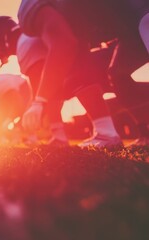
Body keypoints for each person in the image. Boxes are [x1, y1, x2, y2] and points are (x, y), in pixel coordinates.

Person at [16, 0, 149, 146]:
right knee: (116, 74)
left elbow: (63, 41)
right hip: (129, 27)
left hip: (140, 13)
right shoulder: (71, 19)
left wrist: (39, 101)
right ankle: (136, 132)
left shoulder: (28, 11)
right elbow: (77, 57)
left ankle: (107, 132)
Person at [0, 16, 122, 147]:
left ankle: (106, 132)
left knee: (71, 76)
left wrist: (37, 104)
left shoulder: (24, 43)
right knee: (56, 88)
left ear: (0, 36)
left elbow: (41, 88)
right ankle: (62, 137)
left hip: (100, 61)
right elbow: (51, 91)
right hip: (99, 56)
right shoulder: (28, 38)